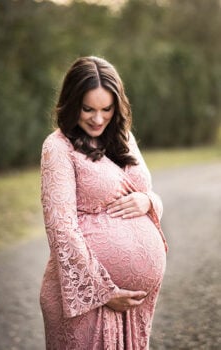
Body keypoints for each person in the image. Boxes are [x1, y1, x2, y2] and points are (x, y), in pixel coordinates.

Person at [40, 56, 168, 350]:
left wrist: (149, 201)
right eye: (88, 109)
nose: (98, 119)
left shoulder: (124, 138)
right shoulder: (58, 147)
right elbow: (61, 229)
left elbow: (149, 193)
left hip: (133, 306)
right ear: (72, 104)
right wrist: (104, 292)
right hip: (87, 300)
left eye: (106, 109)